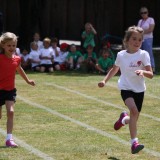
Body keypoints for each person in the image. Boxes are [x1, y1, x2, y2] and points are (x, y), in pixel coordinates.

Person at [98, 26, 153, 154]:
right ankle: (134, 143)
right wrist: (104, 81)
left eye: (140, 40)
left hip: (139, 90)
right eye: (134, 39)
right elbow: (114, 69)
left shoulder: (144, 54)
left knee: (133, 117)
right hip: (126, 88)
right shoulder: (121, 55)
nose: (137, 42)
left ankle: (123, 119)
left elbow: (150, 74)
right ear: (127, 40)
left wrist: (143, 71)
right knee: (133, 111)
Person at [0, 32, 35, 147]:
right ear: (3, 45)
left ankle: (9, 139)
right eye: (9, 45)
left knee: (11, 112)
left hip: (10, 90)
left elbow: (19, 69)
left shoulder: (17, 59)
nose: (11, 48)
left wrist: (28, 80)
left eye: (14, 45)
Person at [137, 7, 155, 73]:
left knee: (149, 53)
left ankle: (152, 68)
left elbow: (150, 30)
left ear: (147, 13)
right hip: (141, 39)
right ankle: (141, 68)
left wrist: (142, 31)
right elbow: (137, 30)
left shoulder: (151, 19)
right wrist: (142, 32)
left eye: (145, 12)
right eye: (142, 13)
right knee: (140, 53)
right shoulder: (140, 21)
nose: (143, 14)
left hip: (148, 39)